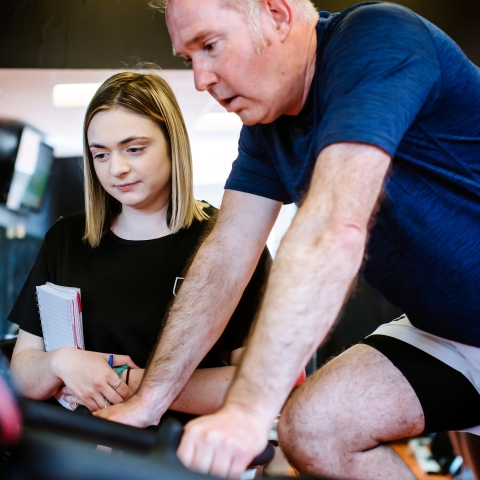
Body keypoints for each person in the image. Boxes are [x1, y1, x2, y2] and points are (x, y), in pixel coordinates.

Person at [96, 1, 480, 478]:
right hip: (444, 334)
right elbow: (228, 253)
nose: (201, 78)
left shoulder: (378, 39)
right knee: (314, 430)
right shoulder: (267, 127)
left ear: (277, 15)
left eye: (210, 47)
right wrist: (149, 400)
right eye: (188, 58)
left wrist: (247, 411)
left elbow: (332, 228)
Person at [9, 70, 271, 418]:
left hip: (175, 457)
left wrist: (130, 383)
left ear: (172, 143)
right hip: (79, 450)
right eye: (100, 155)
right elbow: (23, 371)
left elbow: (258, 384)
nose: (116, 168)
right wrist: (62, 362)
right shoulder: (66, 240)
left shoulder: (229, 242)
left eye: (133, 149)